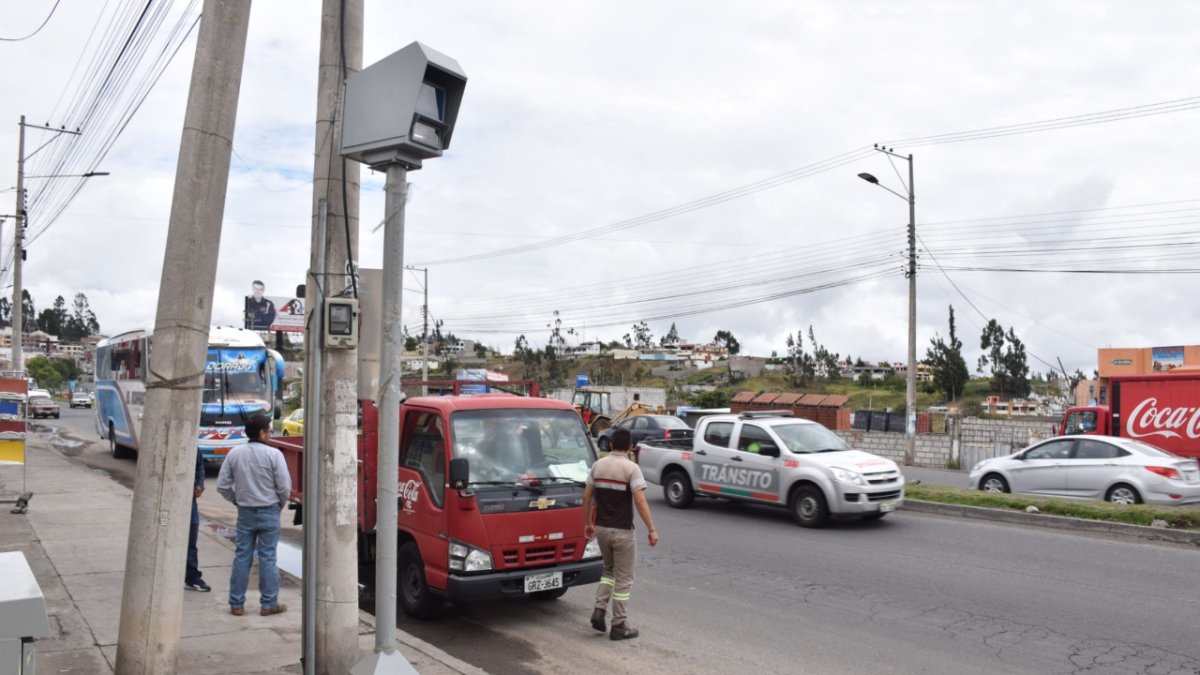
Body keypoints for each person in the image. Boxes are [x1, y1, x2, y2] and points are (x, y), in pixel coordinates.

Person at [582, 427, 658, 641]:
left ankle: (599, 610)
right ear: (631, 447)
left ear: (612, 445)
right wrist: (652, 529)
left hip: (601, 529)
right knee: (623, 580)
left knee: (608, 571)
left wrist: (587, 523)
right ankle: (619, 625)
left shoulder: (598, 466)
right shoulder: (631, 469)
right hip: (622, 531)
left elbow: (586, 497)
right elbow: (640, 501)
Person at [217, 415, 291, 616]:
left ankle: (237, 604)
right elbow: (285, 488)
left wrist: (236, 500)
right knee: (268, 557)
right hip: (269, 511)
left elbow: (222, 485)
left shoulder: (235, 454)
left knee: (242, 556)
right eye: (269, 430)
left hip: (245, 512)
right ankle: (268, 604)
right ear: (261, 433)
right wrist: (279, 505)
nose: (271, 434)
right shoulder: (274, 455)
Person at [184, 448, 211, 592]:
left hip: (190, 502)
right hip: (167, 503)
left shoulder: (192, 445)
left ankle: (192, 577)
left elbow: (199, 466)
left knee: (190, 541)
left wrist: (200, 484)